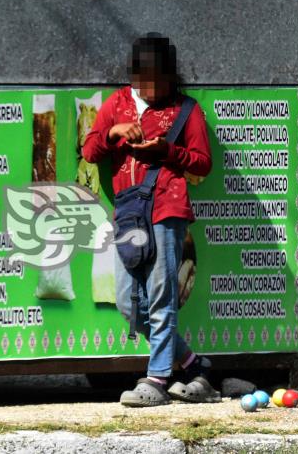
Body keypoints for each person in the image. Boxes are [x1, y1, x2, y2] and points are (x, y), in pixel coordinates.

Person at [82, 33, 219, 407]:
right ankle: (193, 365)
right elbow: (90, 150)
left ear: (171, 77)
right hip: (129, 214)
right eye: (145, 82)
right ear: (134, 76)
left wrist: (167, 151)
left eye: (159, 82)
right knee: (129, 303)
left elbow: (202, 163)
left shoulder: (187, 110)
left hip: (167, 211)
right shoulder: (118, 104)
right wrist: (113, 132)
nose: (152, 89)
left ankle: (157, 379)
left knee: (161, 298)